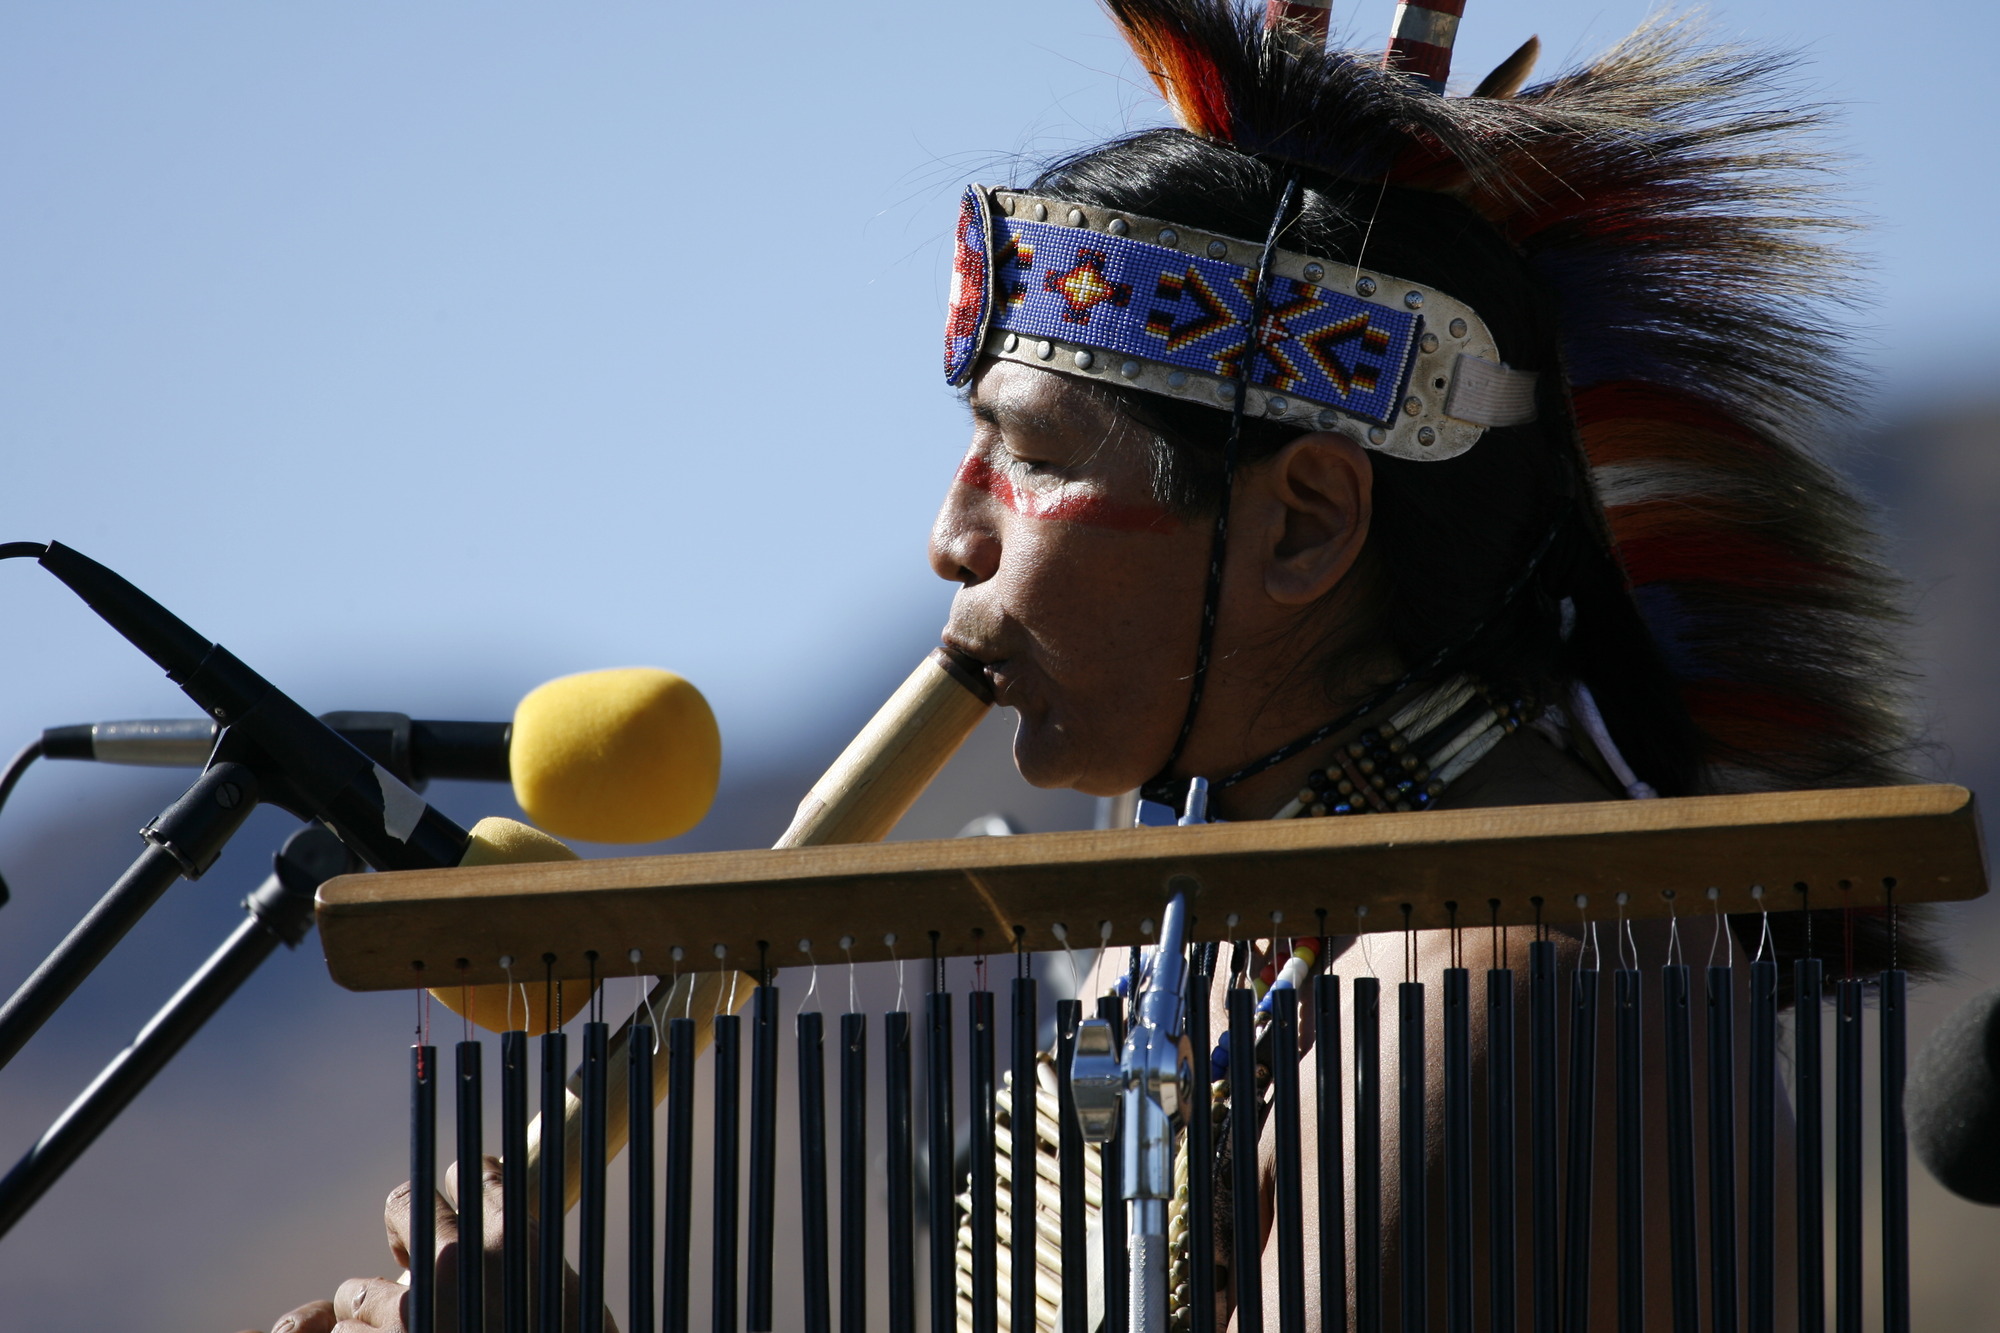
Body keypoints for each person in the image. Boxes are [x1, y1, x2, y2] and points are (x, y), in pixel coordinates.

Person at [250, 2, 1939, 1328]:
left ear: (1303, 525)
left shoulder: (1484, 987)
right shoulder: (1231, 949)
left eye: (1030, 457)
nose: (950, 535)